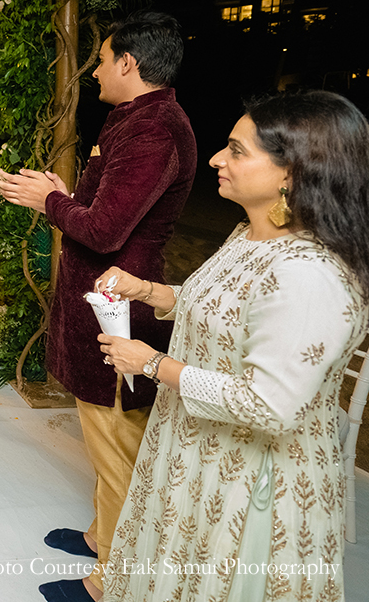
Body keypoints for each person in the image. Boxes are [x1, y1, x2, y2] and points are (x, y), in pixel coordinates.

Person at [97, 90, 369, 601]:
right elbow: (223, 309)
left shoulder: (310, 273)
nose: (217, 159)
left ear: (293, 173)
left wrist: (154, 364)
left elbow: (267, 403)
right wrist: (149, 291)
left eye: (237, 150)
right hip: (198, 450)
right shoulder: (248, 235)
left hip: (252, 479)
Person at [0, 11, 195, 602]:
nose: (96, 70)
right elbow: (103, 206)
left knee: (117, 443)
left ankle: (115, 577)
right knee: (104, 436)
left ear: (128, 62)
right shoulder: (133, 120)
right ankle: (102, 531)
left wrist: (50, 200)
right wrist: (60, 191)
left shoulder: (154, 129)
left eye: (102, 59)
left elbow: (105, 231)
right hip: (97, 299)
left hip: (117, 306)